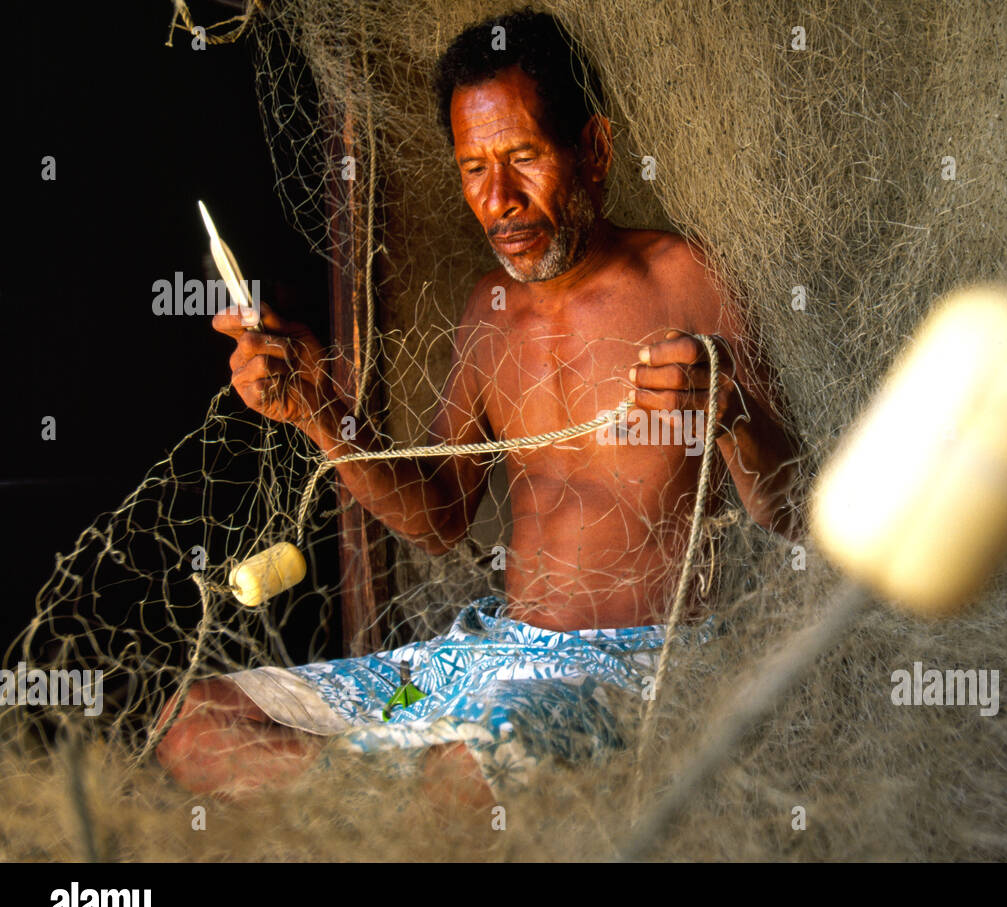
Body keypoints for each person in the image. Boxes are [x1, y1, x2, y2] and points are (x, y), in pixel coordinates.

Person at [155, 7, 802, 807]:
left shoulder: (687, 279)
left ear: (593, 150)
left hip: (629, 669)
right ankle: (386, 805)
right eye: (473, 169)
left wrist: (735, 414)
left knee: (468, 776)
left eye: (523, 157)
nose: (500, 200)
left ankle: (378, 804)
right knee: (200, 717)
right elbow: (440, 518)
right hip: (480, 663)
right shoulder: (487, 311)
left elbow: (789, 506)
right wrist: (322, 414)